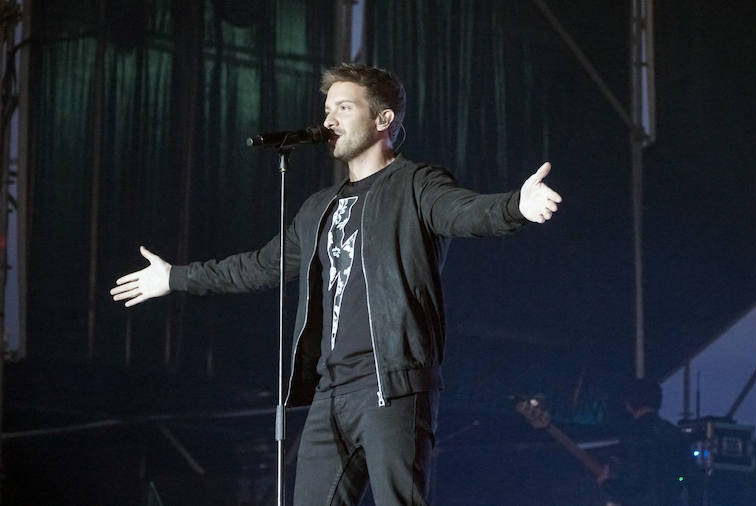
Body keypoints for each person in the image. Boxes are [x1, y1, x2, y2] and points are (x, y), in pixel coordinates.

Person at [109, 62, 562, 505]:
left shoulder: (416, 184)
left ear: (383, 119)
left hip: (393, 387)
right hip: (330, 392)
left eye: (344, 108)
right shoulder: (318, 208)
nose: (328, 120)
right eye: (328, 109)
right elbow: (259, 265)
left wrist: (515, 207)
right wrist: (175, 277)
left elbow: (465, 213)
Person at [602, 378, 687, 506]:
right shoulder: (675, 434)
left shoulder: (632, 434)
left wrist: (607, 484)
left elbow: (633, 481)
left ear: (629, 403)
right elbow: (689, 477)